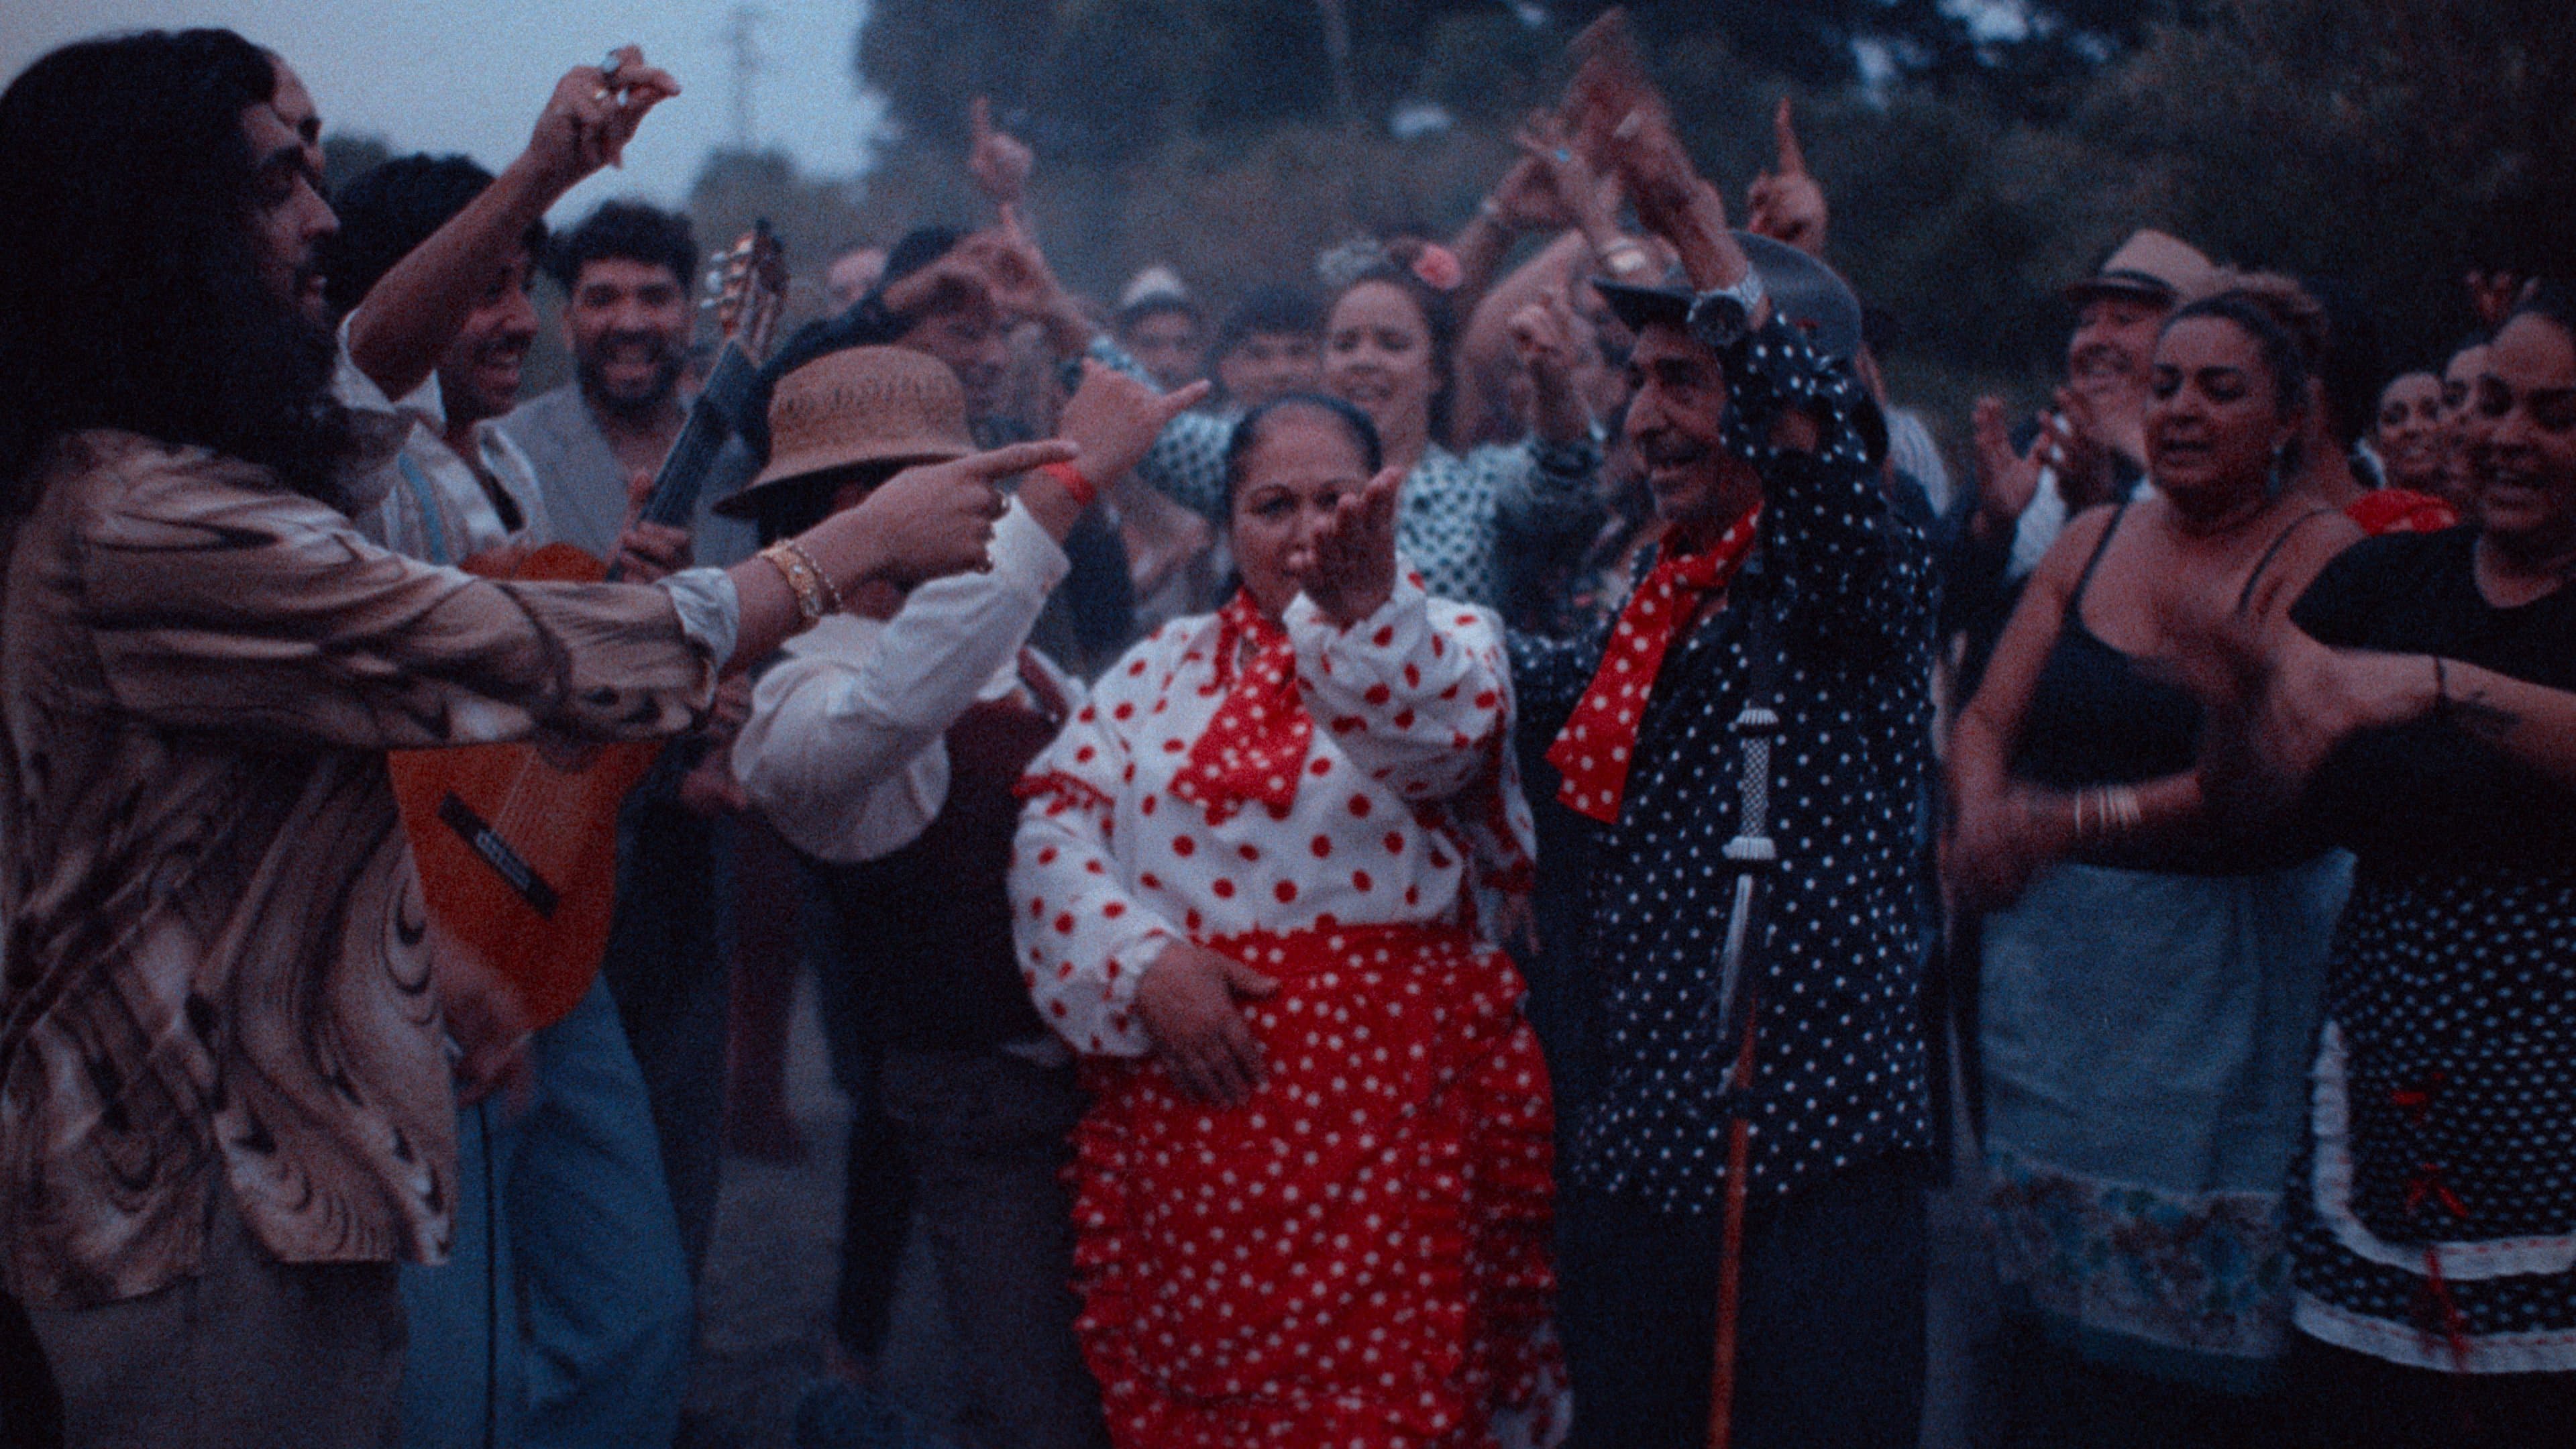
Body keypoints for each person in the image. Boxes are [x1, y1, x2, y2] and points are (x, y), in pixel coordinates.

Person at [0, 29, 1032, 1448]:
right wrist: (845, 546)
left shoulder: (191, 474)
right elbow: (521, 653)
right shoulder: (142, 522)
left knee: (624, 1324)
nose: (324, 223)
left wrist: (405, 956)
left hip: (295, 1137)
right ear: (149, 236)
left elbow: (355, 387)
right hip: (186, 1209)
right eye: (278, 186)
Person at [1500, 95, 1937, 1446]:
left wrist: (1693, 221)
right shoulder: (1646, 593)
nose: (1644, 418)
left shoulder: (1865, 570)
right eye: (1637, 382)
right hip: (1641, 1160)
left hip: (1810, 1171)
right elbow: (1517, 686)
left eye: (1682, 381)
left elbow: (1822, 477)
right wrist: (1357, 609)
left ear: (1769, 392)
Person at [1010, 394, 1558, 1446]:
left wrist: (1363, 623)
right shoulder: (1152, 673)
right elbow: (1054, 829)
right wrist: (1143, 966)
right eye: (1272, 504)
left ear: (1382, 510)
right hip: (1201, 1121)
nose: (1308, 531)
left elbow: (1445, 748)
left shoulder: (1449, 640)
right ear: (1225, 526)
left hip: (1403, 1112)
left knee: (1401, 1400)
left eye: (1336, 501)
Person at [731, 344, 1197, 1449]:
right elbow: (894, 708)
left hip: (1108, 1096)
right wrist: (1063, 492)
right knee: (1048, 1417)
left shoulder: (1016, 659)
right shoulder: (804, 687)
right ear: (864, 507)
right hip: (980, 1114)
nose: (993, 506)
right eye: (972, 487)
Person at [1947, 292, 2365, 1445]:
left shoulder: (2326, 557)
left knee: (2198, 1389)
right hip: (2060, 1010)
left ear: (2291, 416)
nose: (2181, 408)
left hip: (2223, 1008)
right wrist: (1983, 817)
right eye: (2168, 383)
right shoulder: (2086, 543)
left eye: (2220, 388)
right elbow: (1986, 716)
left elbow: (2254, 790)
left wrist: (2063, 824)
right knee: (2054, 1357)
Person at [2195, 282, 2576, 1448]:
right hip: (2385, 1085)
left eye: (2555, 414)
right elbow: (2255, 801)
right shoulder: (2383, 581)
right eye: (2493, 403)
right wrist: (2238, 708)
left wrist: (2443, 687)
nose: (2508, 437)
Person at [495, 196, 754, 1287]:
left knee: (683, 1128)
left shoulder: (745, 457)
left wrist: (735, 721)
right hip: (551, 849)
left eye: (654, 294)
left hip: (701, 858)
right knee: (552, 1145)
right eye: (602, 296)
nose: (631, 318)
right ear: (567, 319)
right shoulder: (515, 453)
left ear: (693, 309)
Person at [1132, 253, 1605, 612]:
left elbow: (1561, 481)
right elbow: (1153, 431)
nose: (1364, 359)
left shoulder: (1479, 483)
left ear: (1435, 372)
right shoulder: (1265, 469)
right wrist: (1056, 311)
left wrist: (1553, 382)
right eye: (1345, 344)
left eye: (1392, 343)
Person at [1205, 285, 1325, 411]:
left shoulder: (1346, 428)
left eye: (1298, 353)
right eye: (1259, 355)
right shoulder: (1197, 430)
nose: (1281, 372)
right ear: (1226, 370)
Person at [2369, 369, 2447, 497]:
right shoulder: (2358, 514)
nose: (2412, 428)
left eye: (2432, 413)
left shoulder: (2485, 513)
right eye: (2394, 419)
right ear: (2374, 441)